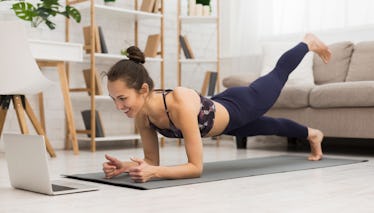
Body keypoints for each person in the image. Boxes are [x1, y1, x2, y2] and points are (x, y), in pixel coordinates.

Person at [102, 33, 332, 183]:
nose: (119, 106)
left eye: (122, 98)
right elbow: (151, 161)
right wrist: (125, 167)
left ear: (143, 90)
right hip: (224, 115)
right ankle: (313, 134)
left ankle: (307, 43)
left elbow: (195, 168)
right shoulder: (142, 116)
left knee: (277, 74)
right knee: (270, 125)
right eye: (114, 100)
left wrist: (155, 173)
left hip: (242, 104)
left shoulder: (178, 103)